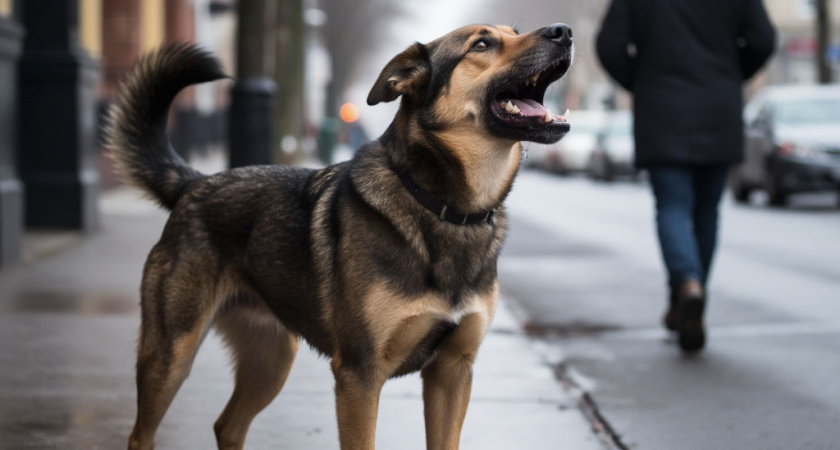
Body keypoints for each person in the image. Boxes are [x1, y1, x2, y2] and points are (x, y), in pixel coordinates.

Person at [596, 0, 776, 352]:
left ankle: (687, 285)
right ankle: (690, 296)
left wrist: (642, 79)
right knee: (707, 212)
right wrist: (728, 72)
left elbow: (609, 45)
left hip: (661, 109)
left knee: (672, 205)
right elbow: (764, 40)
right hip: (718, 107)